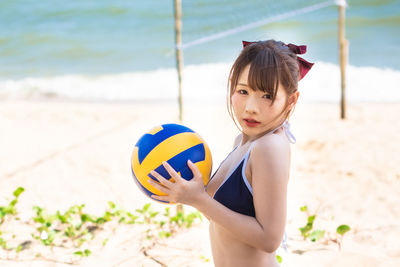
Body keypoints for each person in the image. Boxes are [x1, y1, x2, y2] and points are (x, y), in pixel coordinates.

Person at [147, 39, 314, 267]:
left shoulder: (269, 147)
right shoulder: (244, 141)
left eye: (267, 96)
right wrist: (189, 194)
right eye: (243, 91)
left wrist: (199, 199)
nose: (251, 107)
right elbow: (223, 217)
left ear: (291, 100)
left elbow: (269, 239)